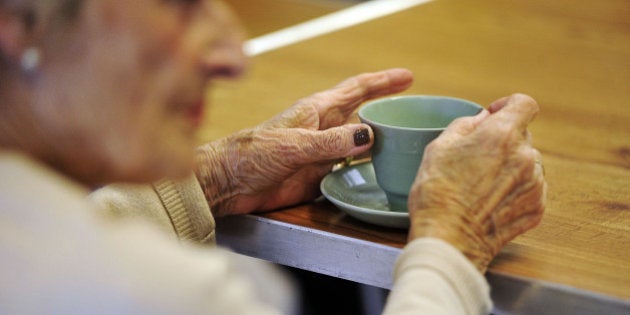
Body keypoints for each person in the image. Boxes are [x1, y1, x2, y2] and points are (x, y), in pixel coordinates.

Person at [0, 0, 546, 314]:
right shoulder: (147, 292)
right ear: (16, 22)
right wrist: (453, 243)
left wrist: (212, 181)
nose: (235, 56)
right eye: (179, 4)